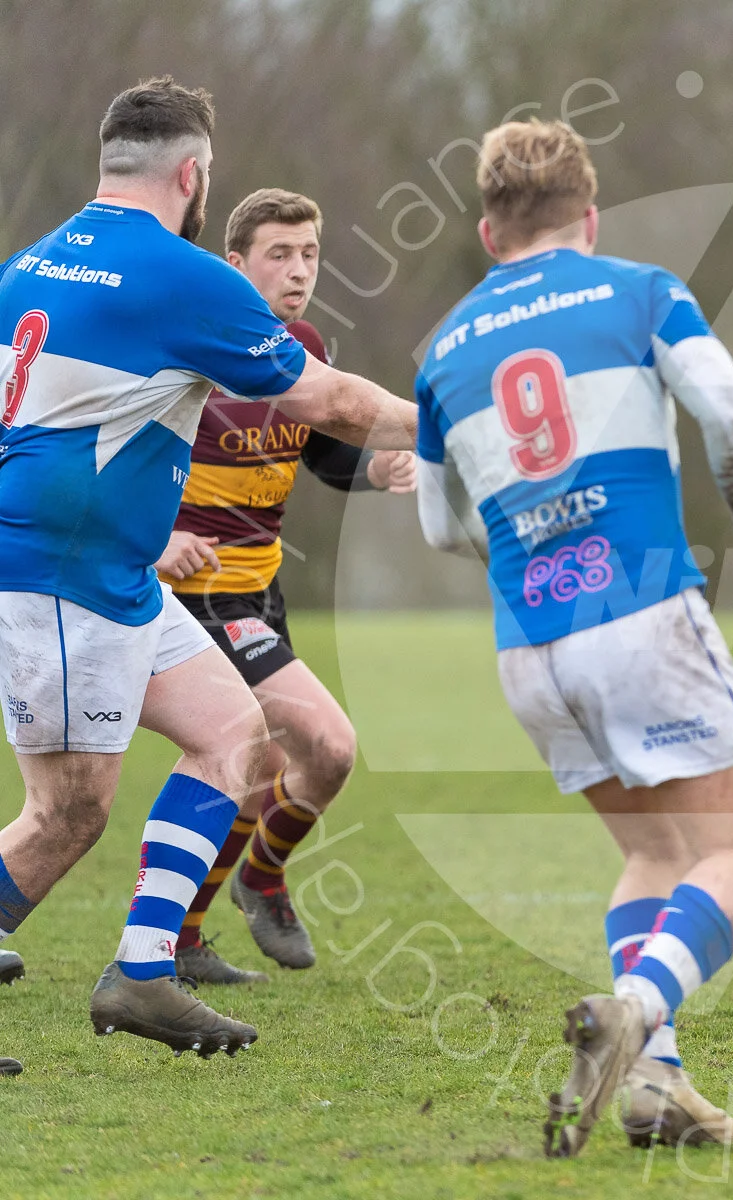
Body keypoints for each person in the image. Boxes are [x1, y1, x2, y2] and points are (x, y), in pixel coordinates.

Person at [0, 77, 416, 1074]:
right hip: (66, 577)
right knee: (67, 815)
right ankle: (143, 964)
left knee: (236, 734)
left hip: (108, 577)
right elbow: (326, 398)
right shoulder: (182, 277)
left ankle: (144, 970)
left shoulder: (31, 264)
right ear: (193, 175)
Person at [415, 119, 733, 1157]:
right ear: (589, 217)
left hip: (529, 643)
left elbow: (444, 527)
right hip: (640, 611)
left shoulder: (444, 348)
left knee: (655, 851)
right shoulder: (639, 290)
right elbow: (731, 418)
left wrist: (533, 540)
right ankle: (635, 1013)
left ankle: (657, 1086)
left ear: (490, 234)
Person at [155, 188, 416, 985]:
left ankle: (201, 923)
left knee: (270, 762)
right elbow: (117, 455)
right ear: (234, 263)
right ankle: (245, 890)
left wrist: (374, 469)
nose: (298, 270)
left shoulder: (301, 344)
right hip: (191, 597)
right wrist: (160, 537)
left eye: (308, 253)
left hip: (258, 595)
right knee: (318, 747)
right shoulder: (185, 345)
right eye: (279, 253)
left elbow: (323, 454)